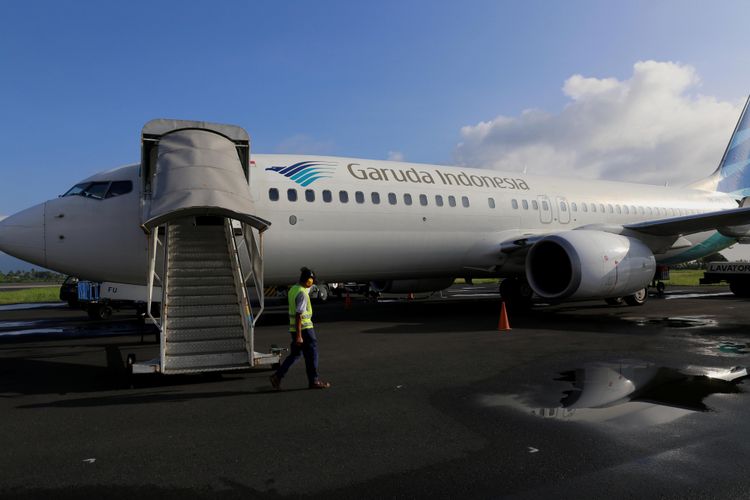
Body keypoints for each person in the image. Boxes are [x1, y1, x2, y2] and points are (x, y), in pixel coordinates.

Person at [270, 267, 331, 390]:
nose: (312, 283)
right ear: (308, 281)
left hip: (295, 329)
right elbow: (299, 314)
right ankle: (314, 381)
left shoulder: (293, 289)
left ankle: (277, 376)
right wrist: (299, 335)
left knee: (295, 355)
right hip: (305, 330)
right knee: (312, 355)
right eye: (312, 281)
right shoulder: (302, 293)